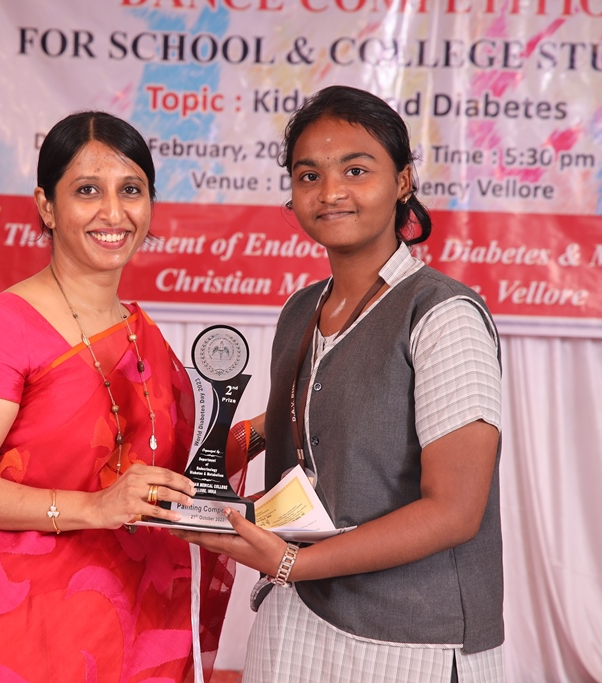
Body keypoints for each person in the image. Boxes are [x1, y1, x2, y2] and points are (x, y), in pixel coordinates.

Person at [173, 85, 504, 683]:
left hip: (407, 640)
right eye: (309, 175)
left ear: (402, 181)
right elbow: (320, 415)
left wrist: (292, 562)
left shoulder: (442, 315)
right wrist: (221, 446)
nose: (330, 192)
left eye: (356, 170)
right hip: (296, 619)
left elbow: (455, 511)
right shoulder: (302, 309)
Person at [0, 111, 238, 682]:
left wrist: (275, 428)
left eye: (131, 190)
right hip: (18, 630)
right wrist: (93, 507)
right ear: (46, 206)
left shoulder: (139, 331)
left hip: (131, 626)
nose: (113, 212)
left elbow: (169, 470)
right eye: (87, 190)